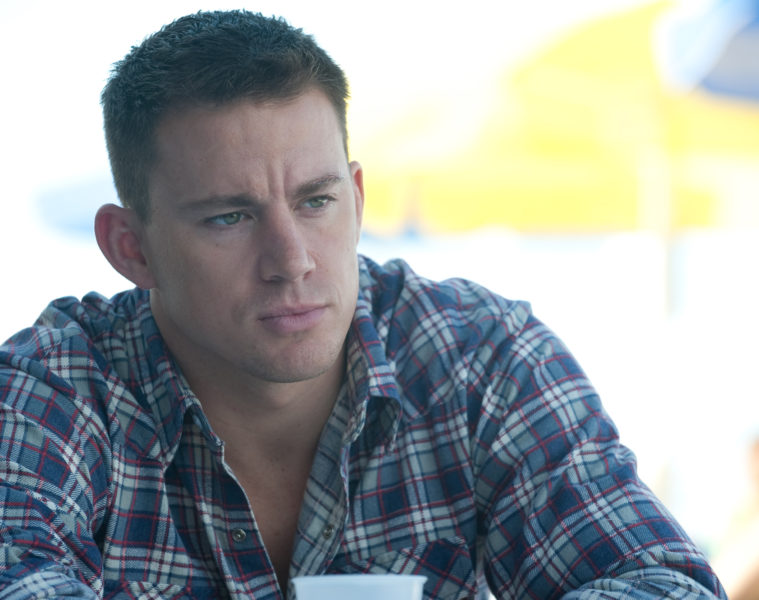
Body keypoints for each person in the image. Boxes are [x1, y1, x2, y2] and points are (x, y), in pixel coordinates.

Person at [0, 9, 725, 600]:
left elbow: (662, 583)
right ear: (131, 248)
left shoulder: (479, 356)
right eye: (229, 217)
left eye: (316, 202)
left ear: (355, 197)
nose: (292, 260)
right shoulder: (57, 385)